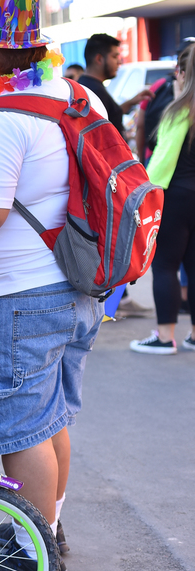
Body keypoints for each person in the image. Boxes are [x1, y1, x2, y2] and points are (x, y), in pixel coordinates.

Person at [0, 0, 113, 571]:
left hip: (11, 300)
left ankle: (34, 557)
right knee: (50, 421)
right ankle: (48, 530)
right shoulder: (73, 95)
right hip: (73, 288)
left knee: (23, 434)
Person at [130, 44, 195, 354]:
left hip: (176, 197)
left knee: (166, 266)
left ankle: (165, 336)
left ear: (182, 74)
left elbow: (160, 162)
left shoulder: (178, 109)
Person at [77, 33, 153, 138]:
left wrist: (131, 102)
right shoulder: (94, 91)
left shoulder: (89, 86)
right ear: (99, 59)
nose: (119, 61)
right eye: (114, 56)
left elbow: (110, 114)